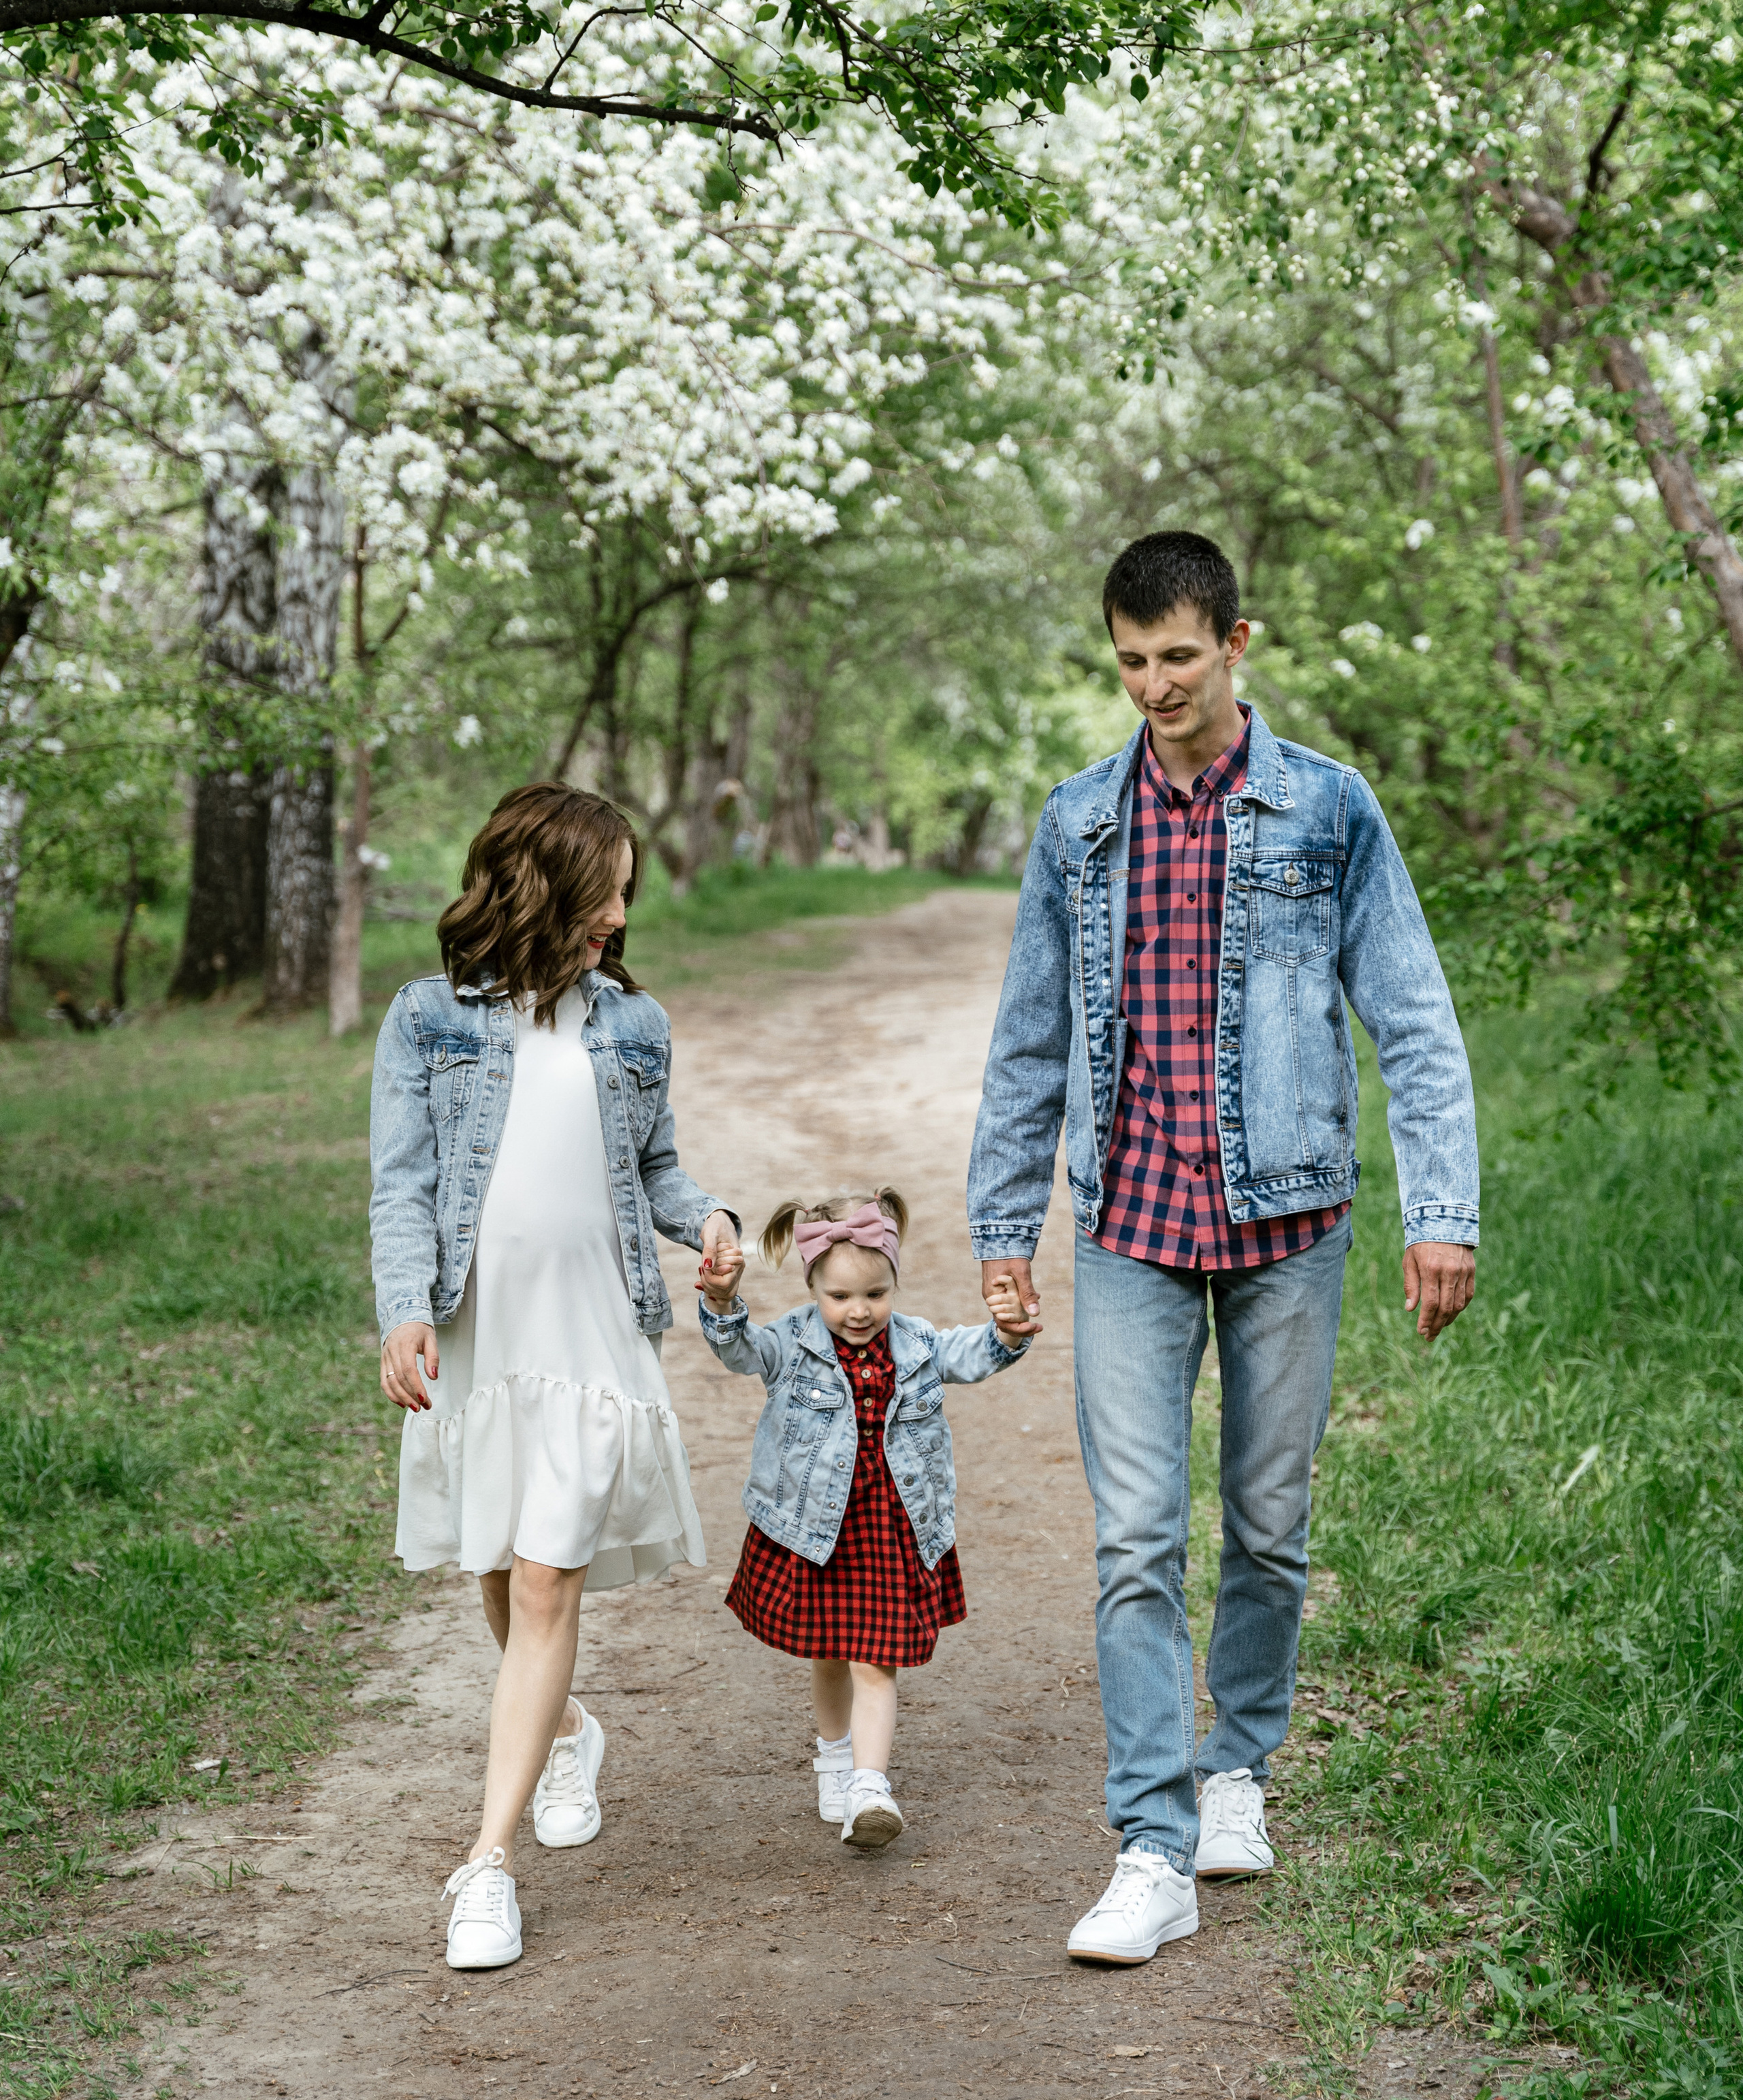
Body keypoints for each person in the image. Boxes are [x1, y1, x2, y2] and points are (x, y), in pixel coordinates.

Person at [968, 530, 1479, 1966]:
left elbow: (1413, 1019)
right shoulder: (1077, 823)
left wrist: (1440, 1212)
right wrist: (1003, 1228)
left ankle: (1234, 1765)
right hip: (1129, 1225)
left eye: (1177, 657)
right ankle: (1148, 1842)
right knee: (1134, 1538)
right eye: (1129, 662)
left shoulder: (1327, 809)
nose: (1153, 688)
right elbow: (1025, 1044)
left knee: (1264, 1524)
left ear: (1234, 642)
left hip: (1287, 1224)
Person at [370, 782, 739, 1971]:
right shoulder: (427, 1021)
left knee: (542, 1588)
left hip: (590, 1340)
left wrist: (713, 1221)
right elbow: (404, 1187)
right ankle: (570, 1730)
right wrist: (404, 1313)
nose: (620, 914)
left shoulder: (635, 1025)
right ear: (545, 886)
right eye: (608, 889)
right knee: (495, 1567)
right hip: (483, 1340)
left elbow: (660, 1172)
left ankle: (484, 1866)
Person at [694, 1192, 1031, 1847]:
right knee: (828, 1651)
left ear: (894, 1285)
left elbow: (973, 1353)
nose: (860, 1311)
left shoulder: (918, 1343)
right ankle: (835, 1759)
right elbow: (741, 1351)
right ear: (813, 1287)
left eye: (876, 1294)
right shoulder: (792, 1344)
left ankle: (871, 1786)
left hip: (888, 1527)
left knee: (876, 1660)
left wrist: (1008, 1333)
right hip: (816, 1527)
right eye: (841, 1297)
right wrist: (720, 1302)